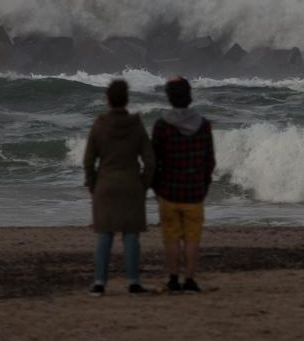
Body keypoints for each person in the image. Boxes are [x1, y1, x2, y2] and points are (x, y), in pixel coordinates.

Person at [83, 79, 156, 296]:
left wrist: (94, 185)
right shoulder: (136, 125)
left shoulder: (100, 124)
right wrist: (143, 184)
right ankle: (133, 282)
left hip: (105, 185)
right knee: (131, 235)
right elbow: (150, 161)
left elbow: (88, 162)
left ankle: (99, 283)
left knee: (105, 235)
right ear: (127, 99)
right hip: (131, 184)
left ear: (107, 99)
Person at [151, 76, 216, 294]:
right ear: (189, 96)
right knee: (192, 237)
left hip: (169, 191)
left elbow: (154, 160)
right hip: (194, 192)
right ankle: (189, 279)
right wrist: (204, 184)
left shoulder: (162, 126)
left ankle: (172, 280)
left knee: (171, 237)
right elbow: (209, 160)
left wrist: (156, 186)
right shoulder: (203, 125)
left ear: (169, 98)